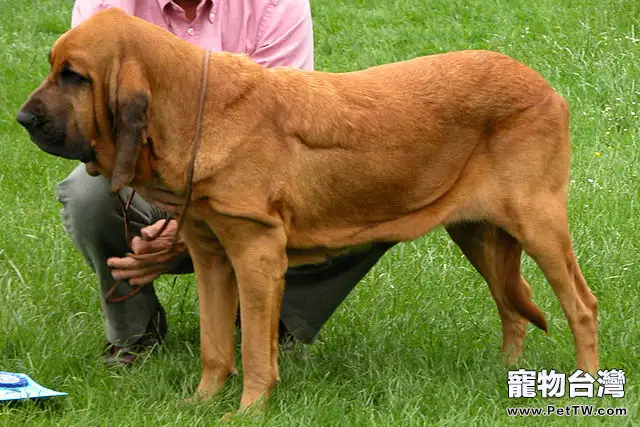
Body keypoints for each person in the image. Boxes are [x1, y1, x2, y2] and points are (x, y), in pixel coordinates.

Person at [57, 0, 394, 365]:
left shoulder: (276, 4)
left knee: (371, 187)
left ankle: (274, 319)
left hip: (250, 183)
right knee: (87, 194)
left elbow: (282, 144)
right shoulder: (103, 6)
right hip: (146, 178)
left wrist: (190, 224)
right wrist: (183, 219)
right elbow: (98, 130)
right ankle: (134, 332)